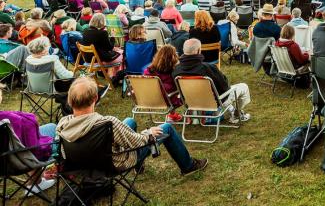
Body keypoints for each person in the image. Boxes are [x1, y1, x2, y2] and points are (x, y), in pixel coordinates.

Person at [56, 77, 208, 175]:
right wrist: (148, 133)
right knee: (166, 128)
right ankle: (188, 166)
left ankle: (139, 166)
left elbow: (62, 152)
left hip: (84, 163)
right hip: (113, 164)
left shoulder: (63, 125)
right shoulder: (107, 123)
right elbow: (138, 142)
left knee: (130, 121)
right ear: (95, 98)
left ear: (70, 101)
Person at [173, 39, 251, 122]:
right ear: (199, 50)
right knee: (243, 87)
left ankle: (232, 112)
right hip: (213, 102)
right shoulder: (208, 68)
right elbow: (224, 87)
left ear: (184, 51)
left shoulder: (176, 70)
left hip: (191, 102)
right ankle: (236, 114)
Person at [0, 86, 57, 195]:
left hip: (5, 159)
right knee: (53, 128)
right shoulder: (13, 119)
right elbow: (35, 148)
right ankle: (36, 184)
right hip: (16, 161)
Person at [143, 45, 183, 122]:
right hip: (168, 100)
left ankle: (173, 115)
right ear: (173, 57)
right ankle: (174, 115)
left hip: (149, 98)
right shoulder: (174, 73)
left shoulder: (148, 71)